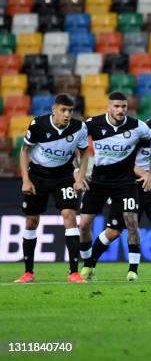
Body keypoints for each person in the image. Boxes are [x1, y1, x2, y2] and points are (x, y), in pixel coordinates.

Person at [87, 96, 151, 281]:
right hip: (128, 182)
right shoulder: (145, 129)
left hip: (149, 184)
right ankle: (89, 264)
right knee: (113, 232)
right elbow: (126, 160)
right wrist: (147, 175)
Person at [79, 92, 151, 282]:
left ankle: (133, 270)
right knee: (83, 225)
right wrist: (77, 172)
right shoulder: (93, 123)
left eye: (123, 106)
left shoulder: (137, 126)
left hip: (125, 183)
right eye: (116, 106)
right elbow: (75, 141)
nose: (120, 110)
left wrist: (150, 172)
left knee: (132, 223)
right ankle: (88, 265)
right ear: (108, 107)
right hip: (98, 181)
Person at [15, 94, 89, 283]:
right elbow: (24, 151)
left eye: (70, 111)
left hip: (63, 176)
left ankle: (74, 272)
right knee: (31, 221)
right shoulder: (38, 124)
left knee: (70, 217)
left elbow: (84, 153)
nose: (67, 115)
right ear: (54, 110)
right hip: (37, 176)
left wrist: (79, 178)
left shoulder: (79, 127)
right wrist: (25, 180)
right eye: (63, 110)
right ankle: (28, 272)